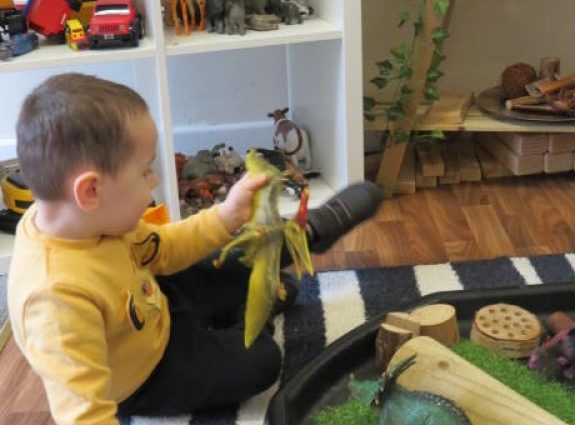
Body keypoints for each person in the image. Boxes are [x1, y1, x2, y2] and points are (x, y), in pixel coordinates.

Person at [7, 73, 383, 424]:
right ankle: (252, 310)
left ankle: (305, 235)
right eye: (145, 172)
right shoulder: (54, 300)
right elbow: (84, 414)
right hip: (150, 374)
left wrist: (226, 216)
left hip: (155, 300)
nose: (154, 181)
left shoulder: (89, 221)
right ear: (91, 191)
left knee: (231, 262)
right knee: (262, 361)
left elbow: (166, 249)